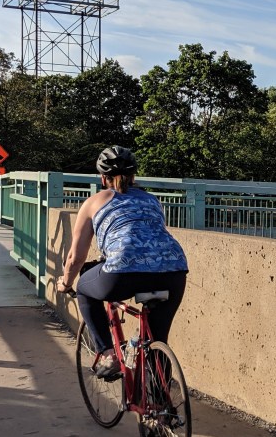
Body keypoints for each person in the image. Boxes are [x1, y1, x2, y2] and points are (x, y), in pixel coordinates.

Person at [56, 146, 189, 379]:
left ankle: (108, 354)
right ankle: (162, 411)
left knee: (85, 289)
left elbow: (76, 257)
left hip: (123, 271)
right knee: (157, 340)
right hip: (174, 270)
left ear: (102, 177)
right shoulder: (152, 200)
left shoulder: (94, 202)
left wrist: (65, 283)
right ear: (134, 175)